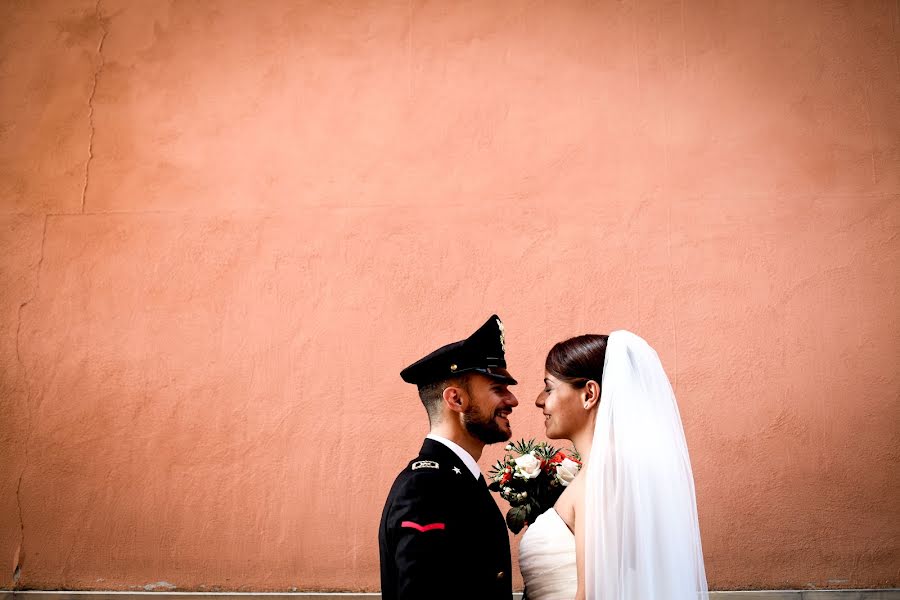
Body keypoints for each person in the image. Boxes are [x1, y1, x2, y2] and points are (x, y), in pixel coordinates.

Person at [518, 331, 709, 600]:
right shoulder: (612, 475)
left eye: (549, 387)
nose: (540, 400)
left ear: (589, 394)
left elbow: (592, 594)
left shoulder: (601, 481)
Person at [379, 315, 520, 600]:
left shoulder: (454, 478)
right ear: (456, 400)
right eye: (497, 388)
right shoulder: (425, 488)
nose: (512, 400)